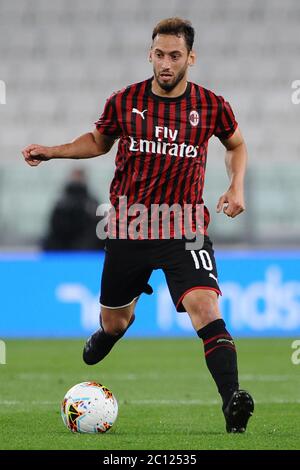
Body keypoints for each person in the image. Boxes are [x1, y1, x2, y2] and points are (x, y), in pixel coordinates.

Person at [22, 17, 254, 433]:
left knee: (205, 307)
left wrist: (237, 186)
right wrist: (53, 151)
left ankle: (232, 402)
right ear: (150, 54)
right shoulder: (125, 101)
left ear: (190, 58)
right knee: (115, 320)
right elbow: (97, 141)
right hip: (130, 227)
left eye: (175, 55)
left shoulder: (212, 105)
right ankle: (110, 334)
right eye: (160, 54)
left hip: (185, 227)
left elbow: (235, 144)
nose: (166, 63)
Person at [42, 168, 105, 251]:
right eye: (75, 176)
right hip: (64, 245)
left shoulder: (91, 203)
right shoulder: (62, 203)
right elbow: (55, 227)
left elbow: (98, 227)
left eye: (79, 176)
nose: (77, 180)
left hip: (87, 247)